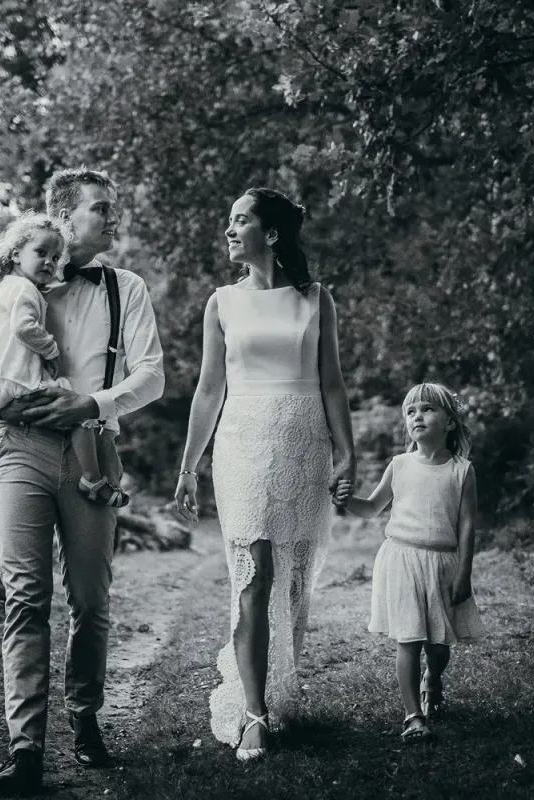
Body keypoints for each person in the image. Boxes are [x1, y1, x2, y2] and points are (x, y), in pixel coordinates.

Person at [0, 168, 164, 797]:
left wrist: (90, 405)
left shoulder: (126, 288)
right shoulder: (13, 285)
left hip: (93, 449)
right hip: (22, 448)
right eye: (102, 210)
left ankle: (85, 718)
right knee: (25, 596)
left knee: (90, 598)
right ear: (63, 215)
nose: (115, 220)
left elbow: (153, 376)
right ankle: (25, 747)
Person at [174, 187, 356, 761]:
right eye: (228, 220)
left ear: (270, 233)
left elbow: (332, 382)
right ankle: (254, 713)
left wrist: (348, 454)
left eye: (240, 220)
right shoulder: (220, 303)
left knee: (295, 582)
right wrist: (189, 464)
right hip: (243, 440)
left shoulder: (315, 299)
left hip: (304, 439)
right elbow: (208, 389)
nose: (229, 230)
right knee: (254, 574)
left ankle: (281, 687)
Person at [341, 381, 486, 743]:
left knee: (438, 646)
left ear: (449, 423)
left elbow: (467, 526)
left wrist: (464, 573)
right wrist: (345, 500)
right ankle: (413, 716)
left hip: (443, 563)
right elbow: (372, 507)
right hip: (402, 559)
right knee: (408, 639)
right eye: (410, 411)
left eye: (427, 409)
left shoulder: (462, 471)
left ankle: (432, 678)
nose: (417, 416)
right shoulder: (400, 465)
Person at [0, 212, 127, 509]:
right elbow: (25, 328)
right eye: (41, 253)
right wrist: (50, 350)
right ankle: (91, 477)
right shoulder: (24, 289)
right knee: (75, 403)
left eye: (55, 257)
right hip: (14, 380)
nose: (49, 262)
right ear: (15, 253)